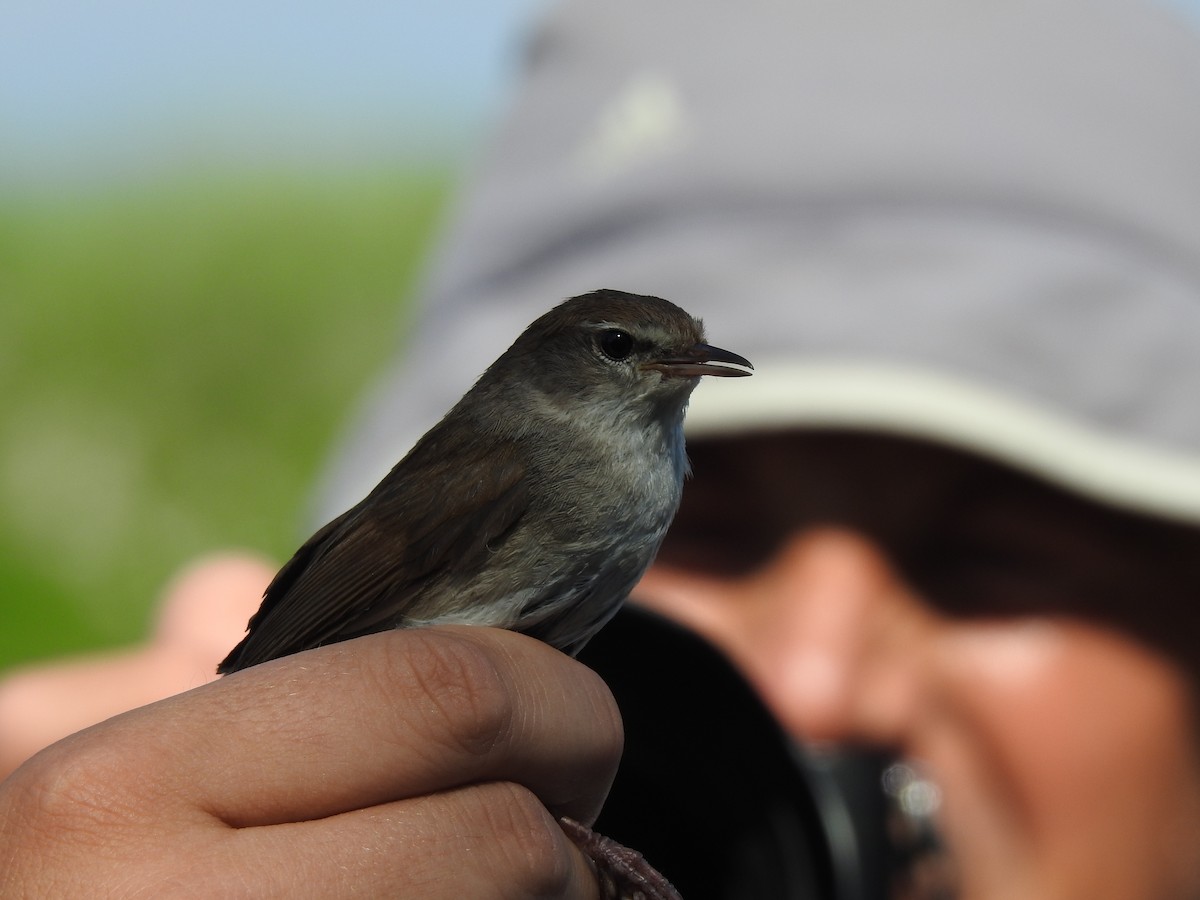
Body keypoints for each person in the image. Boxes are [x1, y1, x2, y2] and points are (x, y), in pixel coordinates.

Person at [4, 1, 1200, 897]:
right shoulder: (513, 455)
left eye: (988, 553)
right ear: (558, 365)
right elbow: (347, 606)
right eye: (625, 350)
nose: (815, 687)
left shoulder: (638, 465)